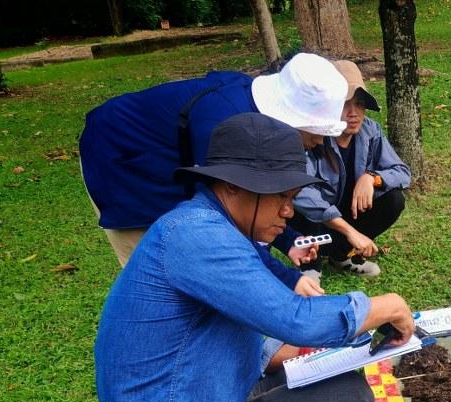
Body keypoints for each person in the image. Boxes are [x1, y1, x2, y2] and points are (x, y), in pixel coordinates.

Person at [94, 113, 415, 402]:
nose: (289, 212)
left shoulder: (204, 226)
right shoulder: (198, 238)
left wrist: (320, 353)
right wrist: (388, 306)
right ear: (231, 189)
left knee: (315, 375)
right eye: (281, 198)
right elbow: (295, 318)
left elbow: (244, 338)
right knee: (350, 400)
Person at [79, 53, 348, 267]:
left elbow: (254, 201)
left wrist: (288, 241)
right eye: (318, 131)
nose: (320, 142)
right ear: (291, 119)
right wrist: (287, 280)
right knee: (160, 261)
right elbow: (220, 220)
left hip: (182, 160)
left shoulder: (256, 125)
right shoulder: (221, 125)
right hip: (120, 157)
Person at [292, 60, 411, 278]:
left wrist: (372, 178)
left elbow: (402, 172)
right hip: (314, 224)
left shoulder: (370, 130)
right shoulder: (312, 135)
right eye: (345, 104)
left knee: (394, 200)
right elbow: (301, 192)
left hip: (346, 221)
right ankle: (310, 268)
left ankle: (341, 256)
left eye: (359, 104)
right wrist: (351, 232)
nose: (353, 113)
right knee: (311, 203)